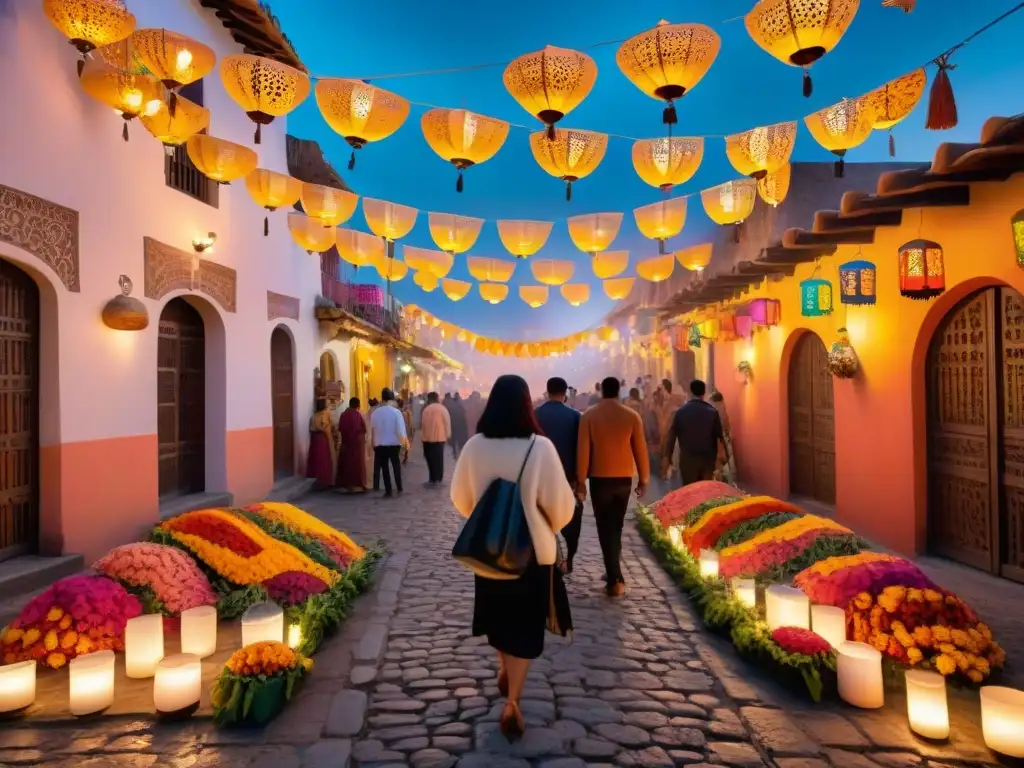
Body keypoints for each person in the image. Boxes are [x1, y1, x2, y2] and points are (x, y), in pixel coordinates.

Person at [451, 374, 575, 742]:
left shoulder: (474, 446)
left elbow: (461, 500)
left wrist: (490, 517)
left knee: (499, 617)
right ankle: (514, 701)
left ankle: (504, 668)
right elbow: (561, 508)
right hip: (533, 554)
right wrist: (537, 519)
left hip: (488, 552)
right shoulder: (540, 448)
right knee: (525, 623)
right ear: (526, 404)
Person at [577, 377, 649, 597]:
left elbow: (583, 450)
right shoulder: (631, 416)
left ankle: (615, 577)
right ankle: (613, 572)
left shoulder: (589, 416)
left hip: (600, 479)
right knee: (616, 526)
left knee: (604, 527)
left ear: (601, 392)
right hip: (623, 480)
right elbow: (640, 449)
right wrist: (644, 479)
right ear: (618, 392)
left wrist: (581, 479)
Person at [534, 376, 583, 573]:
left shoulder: (536, 414)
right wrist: (581, 480)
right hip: (568, 476)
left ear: (547, 391)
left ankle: (547, 557)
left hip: (541, 475)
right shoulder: (574, 416)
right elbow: (581, 449)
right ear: (565, 393)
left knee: (542, 516)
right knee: (571, 517)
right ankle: (569, 558)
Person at [661, 380, 725, 486]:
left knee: (690, 492)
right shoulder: (713, 412)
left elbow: (671, 438)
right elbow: (720, 437)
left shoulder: (680, 412)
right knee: (705, 491)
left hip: (688, 461)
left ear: (691, 392)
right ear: (704, 393)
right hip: (707, 462)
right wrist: (720, 462)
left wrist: (666, 459)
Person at [370, 388, 407, 497]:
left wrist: (373, 442)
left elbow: (373, 429)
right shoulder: (396, 412)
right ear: (392, 399)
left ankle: (388, 490)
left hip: (380, 444)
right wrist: (404, 443)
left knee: (384, 467)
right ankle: (399, 486)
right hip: (394, 443)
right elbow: (400, 429)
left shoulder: (376, 413)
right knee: (396, 465)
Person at [335, 397, 367, 493]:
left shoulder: (343, 415)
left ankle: (346, 484)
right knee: (356, 465)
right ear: (358, 405)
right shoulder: (358, 415)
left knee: (346, 464)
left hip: (346, 444)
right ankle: (358, 484)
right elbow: (363, 429)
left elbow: (340, 428)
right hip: (356, 445)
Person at [421, 392, 451, 486]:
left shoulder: (426, 409)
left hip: (427, 439)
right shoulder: (442, 409)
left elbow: (423, 425)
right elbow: (447, 423)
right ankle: (438, 478)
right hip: (439, 438)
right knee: (438, 459)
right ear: (437, 398)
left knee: (430, 459)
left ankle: (432, 478)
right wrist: (448, 435)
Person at [306, 398, 337, 489]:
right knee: (325, 459)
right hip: (324, 438)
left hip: (315, 439)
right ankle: (326, 481)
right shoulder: (325, 414)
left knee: (316, 459)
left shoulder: (313, 416)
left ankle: (316, 480)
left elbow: (310, 429)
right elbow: (331, 425)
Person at [709, 391, 737, 484]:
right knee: (727, 467)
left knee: (717, 467)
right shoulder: (722, 408)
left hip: (715, 441)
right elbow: (726, 425)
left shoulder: (711, 408)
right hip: (723, 440)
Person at [450, 392, 469, 459]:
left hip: (454, 424)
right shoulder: (461, 405)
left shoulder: (452, 405)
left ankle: (455, 453)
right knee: (460, 439)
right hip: (460, 424)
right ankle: (459, 453)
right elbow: (464, 414)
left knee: (454, 439)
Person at [398, 397, 414, 465]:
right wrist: (411, 430)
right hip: (406, 430)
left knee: (401, 445)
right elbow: (410, 422)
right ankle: (405, 457)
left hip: (400, 432)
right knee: (406, 444)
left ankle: (402, 457)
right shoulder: (407, 412)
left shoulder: (398, 412)